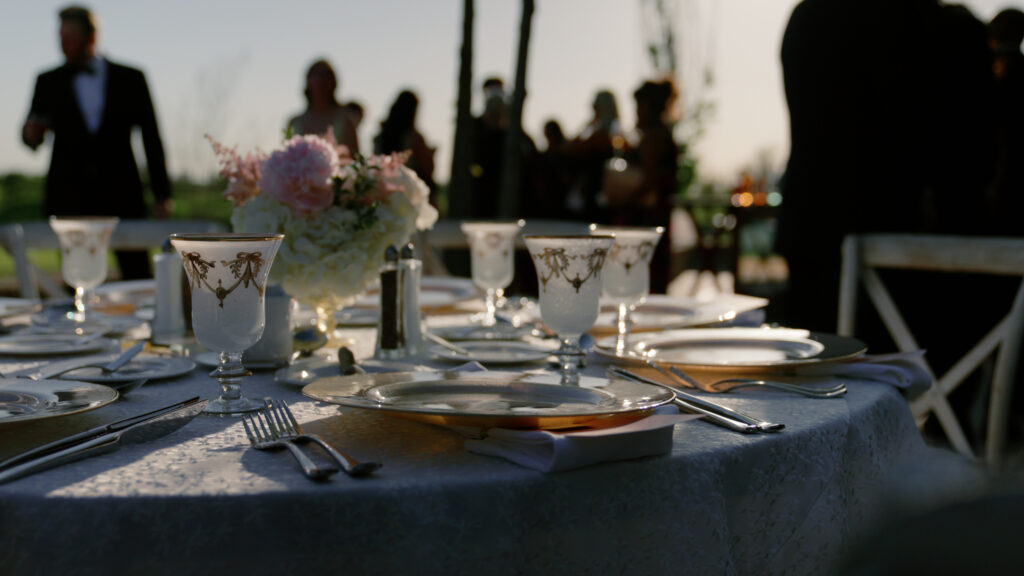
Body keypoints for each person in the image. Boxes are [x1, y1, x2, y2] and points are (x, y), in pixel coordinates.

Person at [21, 5, 171, 280]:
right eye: (61, 36)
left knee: (137, 277)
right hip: (69, 199)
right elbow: (30, 133)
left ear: (91, 37)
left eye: (70, 37)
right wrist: (31, 134)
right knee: (76, 282)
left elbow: (151, 137)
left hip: (122, 196)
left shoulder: (131, 78)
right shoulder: (47, 81)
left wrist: (162, 193)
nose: (63, 44)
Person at [564, 90, 626, 222]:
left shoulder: (600, 135)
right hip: (605, 193)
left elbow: (570, 149)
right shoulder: (618, 133)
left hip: (596, 193)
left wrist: (587, 125)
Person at [373, 90, 437, 203]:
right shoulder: (414, 138)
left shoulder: (381, 136)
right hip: (410, 194)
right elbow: (428, 168)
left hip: (383, 192)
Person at [286, 59, 359, 154]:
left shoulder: (345, 121)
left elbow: (353, 160)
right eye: (316, 75)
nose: (321, 80)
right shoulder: (294, 122)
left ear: (333, 82)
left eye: (326, 75)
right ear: (308, 82)